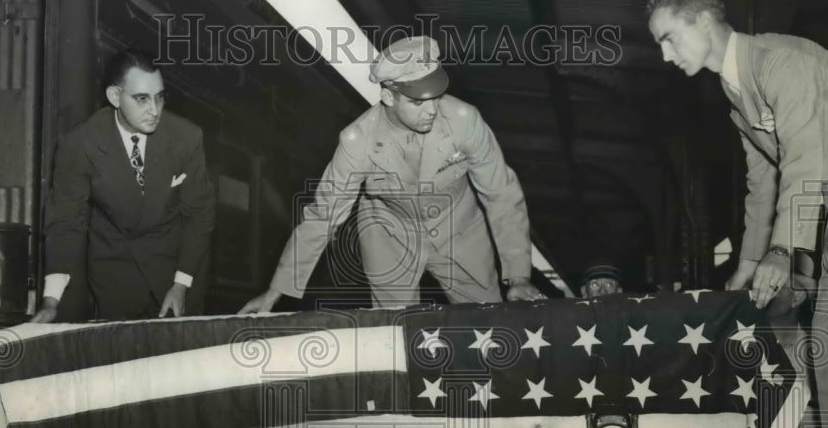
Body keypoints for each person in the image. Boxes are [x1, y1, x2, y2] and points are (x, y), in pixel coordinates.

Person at [647, 0, 828, 428]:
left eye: (667, 38)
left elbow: (805, 157)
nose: (664, 55)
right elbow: (764, 184)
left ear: (702, 22)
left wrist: (782, 249)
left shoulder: (779, 61)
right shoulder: (736, 94)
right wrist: (748, 265)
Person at [239, 36, 542, 314]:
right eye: (418, 101)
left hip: (461, 233)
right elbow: (323, 216)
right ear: (388, 96)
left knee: (488, 325)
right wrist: (275, 291)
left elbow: (501, 193)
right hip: (391, 237)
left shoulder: (465, 121)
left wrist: (518, 276)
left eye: (437, 95)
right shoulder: (358, 142)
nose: (433, 110)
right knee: (397, 335)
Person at [32, 48, 215, 322]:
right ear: (115, 97)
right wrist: (50, 302)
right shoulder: (80, 144)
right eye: (142, 99)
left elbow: (199, 217)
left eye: (160, 97)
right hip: (115, 275)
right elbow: (66, 224)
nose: (154, 110)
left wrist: (181, 284)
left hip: (177, 273)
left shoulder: (186, 138)